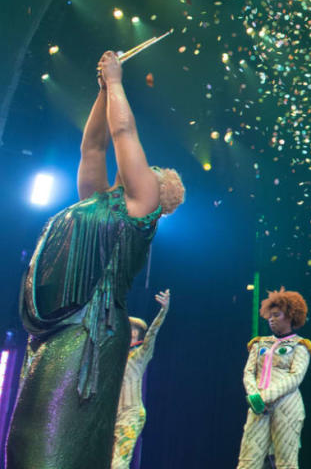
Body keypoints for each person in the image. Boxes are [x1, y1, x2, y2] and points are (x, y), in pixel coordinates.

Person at [5, 51, 184, 469]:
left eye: (148, 168)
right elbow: (94, 143)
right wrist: (103, 90)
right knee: (29, 443)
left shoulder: (140, 210)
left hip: (91, 330)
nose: (139, 166)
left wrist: (118, 81)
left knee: (57, 443)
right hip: (58, 329)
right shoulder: (98, 200)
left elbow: (123, 133)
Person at [236, 287, 311, 469]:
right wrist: (253, 394)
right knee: (248, 460)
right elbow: (248, 372)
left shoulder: (300, 346)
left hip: (287, 406)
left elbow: (295, 377)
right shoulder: (259, 344)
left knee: (285, 462)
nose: (271, 319)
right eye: (270, 315)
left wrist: (264, 396)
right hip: (257, 406)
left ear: (290, 316)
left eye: (277, 315)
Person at [111, 288, 171, 469]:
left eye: (135, 331)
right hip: (112, 415)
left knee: (118, 464)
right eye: (129, 330)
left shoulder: (140, 354)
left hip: (131, 413)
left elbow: (152, 334)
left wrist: (163, 311)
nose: (132, 333)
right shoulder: (114, 357)